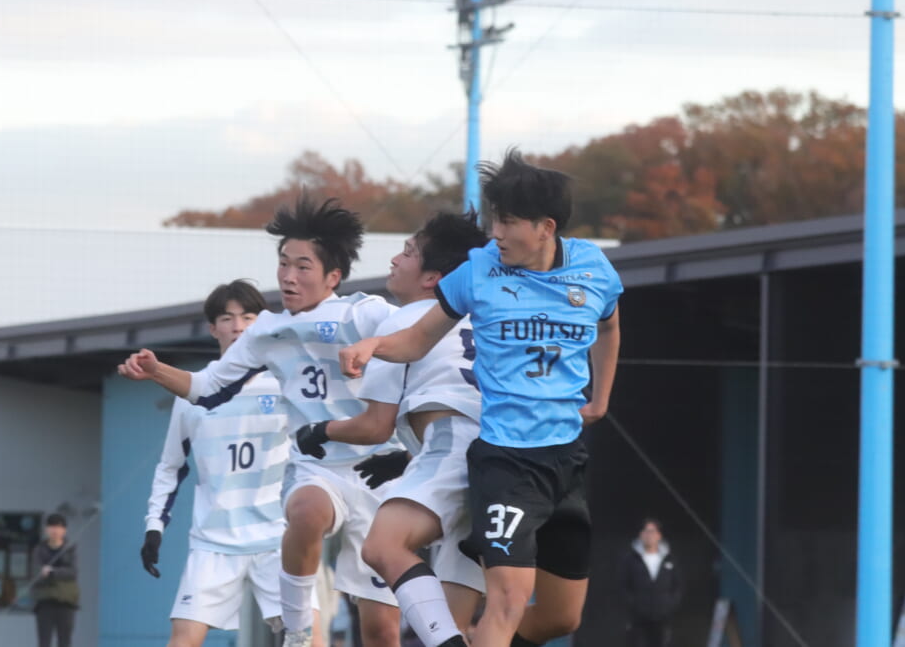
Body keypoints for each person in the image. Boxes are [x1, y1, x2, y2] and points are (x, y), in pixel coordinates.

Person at [339, 149, 624, 647]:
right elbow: (417, 340)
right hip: (506, 462)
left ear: (546, 227)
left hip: (566, 460)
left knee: (560, 618)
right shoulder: (478, 271)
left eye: (507, 222)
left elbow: (609, 325)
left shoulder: (593, 268)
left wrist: (600, 399)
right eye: (494, 218)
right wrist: (373, 346)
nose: (495, 233)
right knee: (508, 601)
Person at [118, 196, 402, 647]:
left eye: (303, 266)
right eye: (283, 263)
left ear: (332, 276)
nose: (288, 276)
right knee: (305, 511)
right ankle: (298, 627)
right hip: (317, 470)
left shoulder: (364, 313)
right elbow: (206, 387)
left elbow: (419, 337)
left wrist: (375, 347)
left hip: (377, 471)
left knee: (382, 631)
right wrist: (156, 370)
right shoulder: (266, 331)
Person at [296, 211, 489, 647]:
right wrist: (407, 457)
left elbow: (374, 426)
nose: (395, 259)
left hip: (450, 445)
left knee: (382, 547)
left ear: (432, 279)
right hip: (496, 458)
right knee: (452, 619)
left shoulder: (403, 321)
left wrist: (321, 430)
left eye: (408, 252)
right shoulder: (481, 321)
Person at [140, 280, 323, 647]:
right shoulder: (191, 391)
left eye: (248, 317)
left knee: (309, 641)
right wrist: (154, 527)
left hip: (278, 540)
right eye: (227, 318)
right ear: (213, 328)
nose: (238, 326)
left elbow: (320, 444)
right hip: (213, 543)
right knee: (182, 640)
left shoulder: (286, 383)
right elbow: (171, 467)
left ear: (261, 324)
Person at [621, 518, 682, 647]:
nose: (649, 535)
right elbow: (624, 586)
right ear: (640, 534)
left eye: (652, 531)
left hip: (663, 619)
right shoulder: (630, 560)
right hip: (639, 620)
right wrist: (636, 605)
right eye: (646, 531)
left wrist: (668, 605)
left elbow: (678, 586)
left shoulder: (669, 559)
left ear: (659, 535)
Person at [31, 513, 79, 647]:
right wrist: (42, 573)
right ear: (46, 529)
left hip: (66, 602)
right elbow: (35, 572)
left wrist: (53, 572)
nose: (55, 530)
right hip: (45, 602)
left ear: (64, 530)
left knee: (64, 641)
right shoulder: (39, 550)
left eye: (58, 527)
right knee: (44, 641)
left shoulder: (70, 549)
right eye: (52, 526)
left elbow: (72, 572)